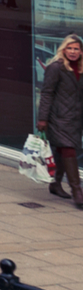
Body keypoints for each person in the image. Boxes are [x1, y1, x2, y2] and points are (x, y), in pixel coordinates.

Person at [38, 34, 83, 205]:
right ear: (63, 50)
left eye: (76, 49)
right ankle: (77, 191)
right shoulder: (56, 67)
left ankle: (55, 183)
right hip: (59, 118)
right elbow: (47, 93)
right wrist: (42, 118)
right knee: (69, 150)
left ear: (81, 51)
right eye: (69, 48)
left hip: (76, 118)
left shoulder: (81, 68)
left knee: (62, 152)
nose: (72, 52)